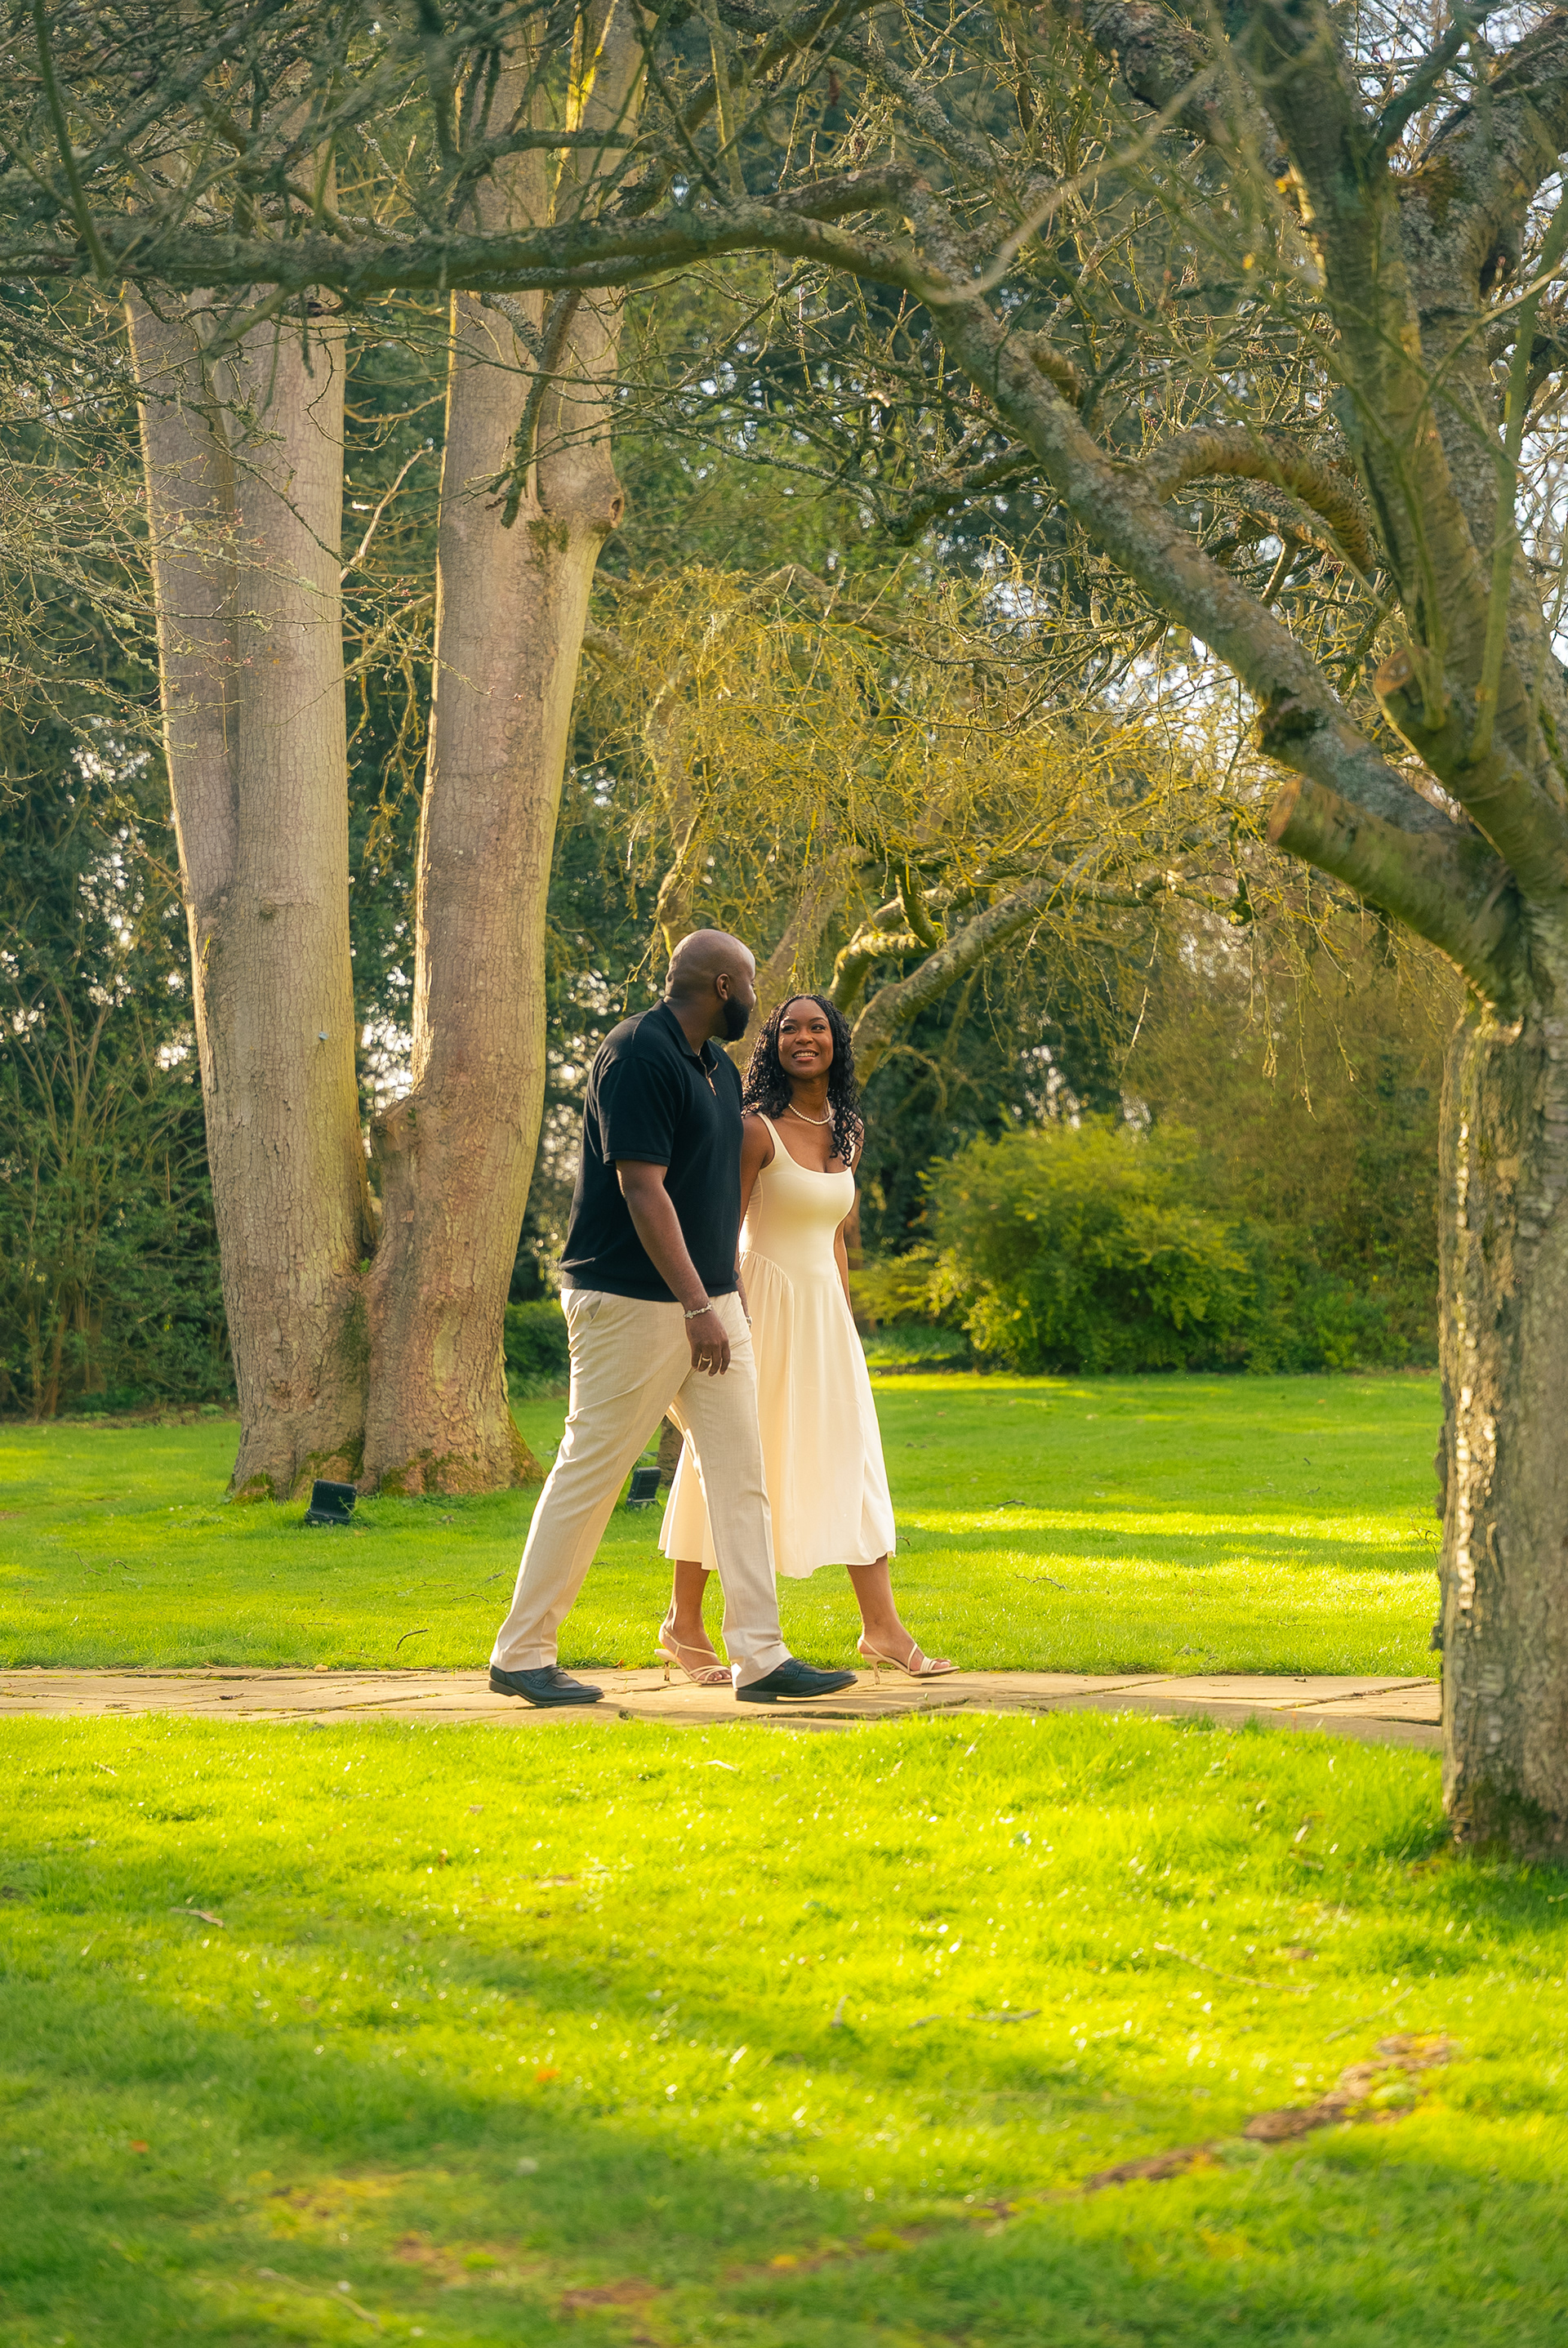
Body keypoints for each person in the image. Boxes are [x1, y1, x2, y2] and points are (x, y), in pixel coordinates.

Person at [488, 934, 858, 1709]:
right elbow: (642, 1188)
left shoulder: (715, 1068)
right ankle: (521, 1653)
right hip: (632, 1300)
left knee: (742, 1474)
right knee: (593, 1470)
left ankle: (760, 1655)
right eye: (749, 982)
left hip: (710, 1302)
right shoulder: (637, 1054)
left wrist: (722, 1293)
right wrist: (696, 1303)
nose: (755, 998)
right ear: (723, 984)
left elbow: (713, 1195)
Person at [656, 992, 955, 1681]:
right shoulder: (754, 1130)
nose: (804, 1037)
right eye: (790, 1028)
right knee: (728, 1460)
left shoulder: (848, 1130)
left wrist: (845, 1319)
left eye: (817, 1027)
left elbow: (837, 1236)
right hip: (759, 1311)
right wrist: (720, 1311)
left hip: (825, 1319)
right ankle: (683, 1623)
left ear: (835, 1042)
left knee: (854, 1458)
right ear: (773, 1043)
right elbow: (719, 1227)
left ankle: (882, 1628)